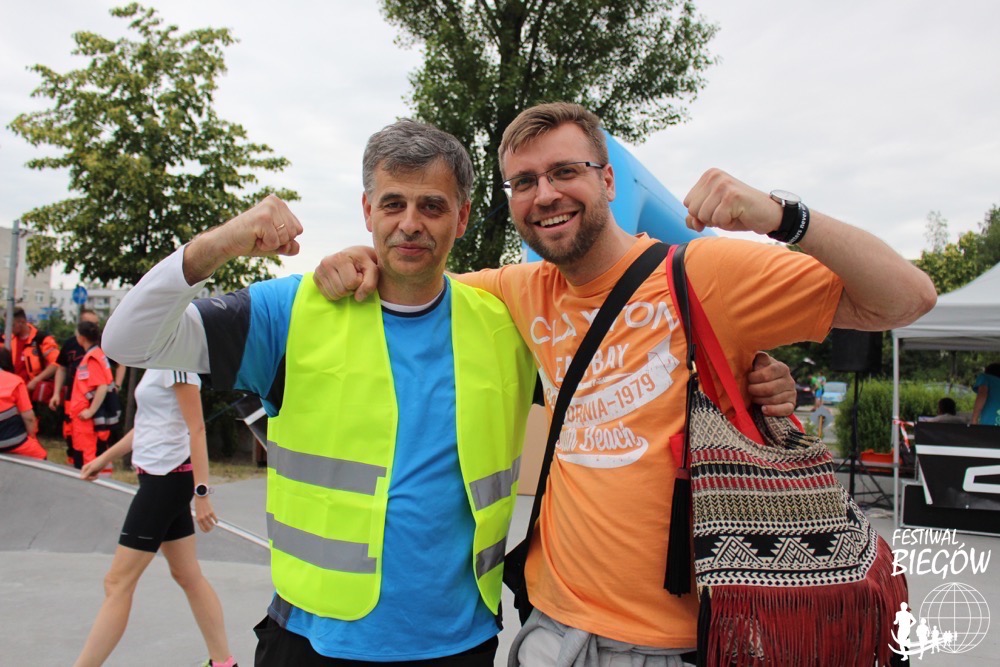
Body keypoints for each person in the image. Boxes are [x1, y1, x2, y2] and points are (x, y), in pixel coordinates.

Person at [101, 119, 795, 666]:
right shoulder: (293, 310)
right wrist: (221, 243)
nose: (411, 222)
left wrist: (750, 377)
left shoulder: (506, 320)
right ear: (367, 210)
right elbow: (130, 340)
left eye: (431, 206)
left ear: (461, 218)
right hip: (312, 640)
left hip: (459, 645)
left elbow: (629, 367)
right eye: (393, 203)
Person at [314, 103, 937, 665]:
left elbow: (905, 298)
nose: (545, 194)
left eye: (565, 171)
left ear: (608, 180)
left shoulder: (707, 273)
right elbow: (416, 282)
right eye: (524, 182)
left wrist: (784, 216)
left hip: (671, 642)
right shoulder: (517, 290)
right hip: (549, 629)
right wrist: (354, 259)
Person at [74, 368, 237, 667]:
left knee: (117, 582)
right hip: (157, 478)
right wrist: (103, 459)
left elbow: (197, 429)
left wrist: (202, 493)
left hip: (166, 480)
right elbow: (147, 426)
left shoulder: (178, 362)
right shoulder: (157, 360)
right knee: (187, 575)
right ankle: (223, 662)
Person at [50, 309, 103, 466]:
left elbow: (104, 382)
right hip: (73, 399)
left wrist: (92, 409)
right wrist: (56, 393)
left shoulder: (99, 349)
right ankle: (75, 463)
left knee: (91, 439)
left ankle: (85, 466)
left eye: (96, 324)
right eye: (90, 324)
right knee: (70, 433)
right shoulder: (71, 344)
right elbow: (61, 368)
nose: (93, 328)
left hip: (90, 401)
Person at [66, 320, 113, 467]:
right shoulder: (97, 354)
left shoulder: (92, 358)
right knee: (86, 456)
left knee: (86, 458)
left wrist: (91, 411)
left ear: (81, 338)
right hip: (84, 417)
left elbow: (102, 386)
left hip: (85, 420)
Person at [0, 347, 48, 459]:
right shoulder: (15, 381)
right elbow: (29, 418)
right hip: (12, 441)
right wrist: (32, 438)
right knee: (41, 457)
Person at [5, 307, 60, 404]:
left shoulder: (41, 339)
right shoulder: (6, 340)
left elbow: (57, 362)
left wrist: (36, 380)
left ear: (21, 322)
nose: (8, 329)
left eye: (11, 325)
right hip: (11, 393)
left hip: (34, 394)